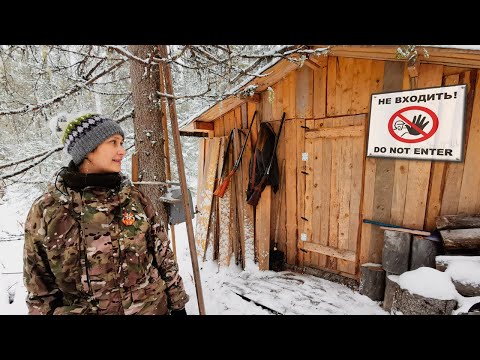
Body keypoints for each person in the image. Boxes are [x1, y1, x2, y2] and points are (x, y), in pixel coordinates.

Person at [23, 113, 189, 315]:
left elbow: (164, 257)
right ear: (87, 150)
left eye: (122, 143)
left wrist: (178, 304)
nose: (122, 151)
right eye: (113, 142)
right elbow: (39, 285)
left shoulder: (134, 199)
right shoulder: (48, 210)